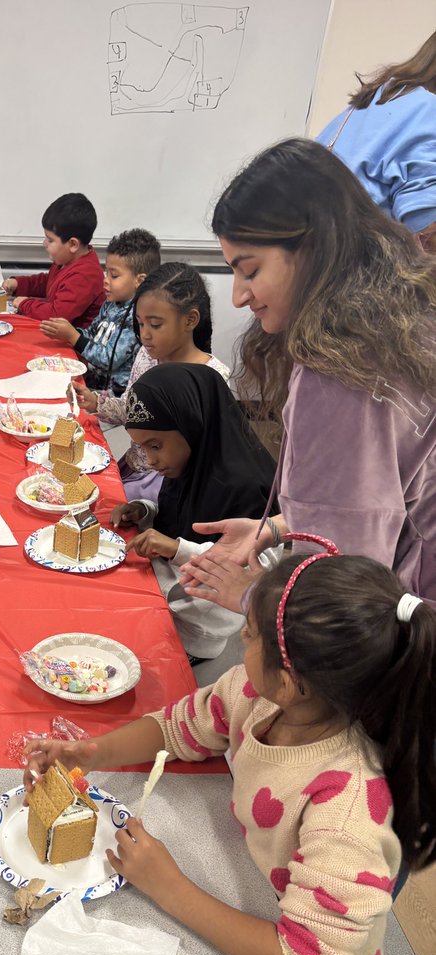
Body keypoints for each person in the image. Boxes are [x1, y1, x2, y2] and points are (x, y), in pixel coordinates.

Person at [26, 546, 436, 955]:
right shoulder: (256, 696)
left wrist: (169, 886)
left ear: (291, 681)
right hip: (254, 898)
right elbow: (179, 728)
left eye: (245, 634)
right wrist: (93, 748)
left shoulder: (350, 807)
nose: (235, 643)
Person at [179, 138, 436, 611]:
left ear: (314, 247)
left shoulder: (337, 376)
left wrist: (252, 595)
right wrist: (280, 525)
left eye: (250, 270)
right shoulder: (405, 317)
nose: (238, 296)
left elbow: (343, 606)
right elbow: (387, 494)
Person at [111, 364, 275, 661]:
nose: (150, 460)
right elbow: (186, 519)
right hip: (165, 593)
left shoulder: (244, 486)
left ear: (192, 422)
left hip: (194, 625)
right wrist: (144, 511)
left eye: (155, 446)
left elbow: (248, 570)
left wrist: (175, 549)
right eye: (143, 448)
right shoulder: (191, 464)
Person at [81, 263, 231, 503]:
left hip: (174, 486)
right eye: (140, 324)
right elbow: (133, 410)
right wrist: (96, 402)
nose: (145, 335)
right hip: (135, 469)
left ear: (190, 320)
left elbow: (211, 456)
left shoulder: (212, 376)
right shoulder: (146, 356)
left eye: (156, 324)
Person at [317, 31, 436, 252]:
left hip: (312, 260)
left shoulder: (376, 100)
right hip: (360, 273)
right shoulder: (429, 112)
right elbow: (426, 238)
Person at [38, 227, 161, 394]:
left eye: (114, 276)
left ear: (139, 281)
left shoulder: (138, 317)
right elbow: (92, 333)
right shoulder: (110, 303)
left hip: (114, 403)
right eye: (106, 273)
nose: (106, 281)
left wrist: (73, 337)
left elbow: (109, 359)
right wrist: (70, 331)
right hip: (91, 389)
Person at [2, 194, 105, 325]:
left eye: (50, 240)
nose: (44, 243)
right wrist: (18, 284)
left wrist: (25, 304)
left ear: (73, 244)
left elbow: (56, 315)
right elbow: (48, 283)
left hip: (72, 342)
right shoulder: (65, 262)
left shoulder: (85, 275)